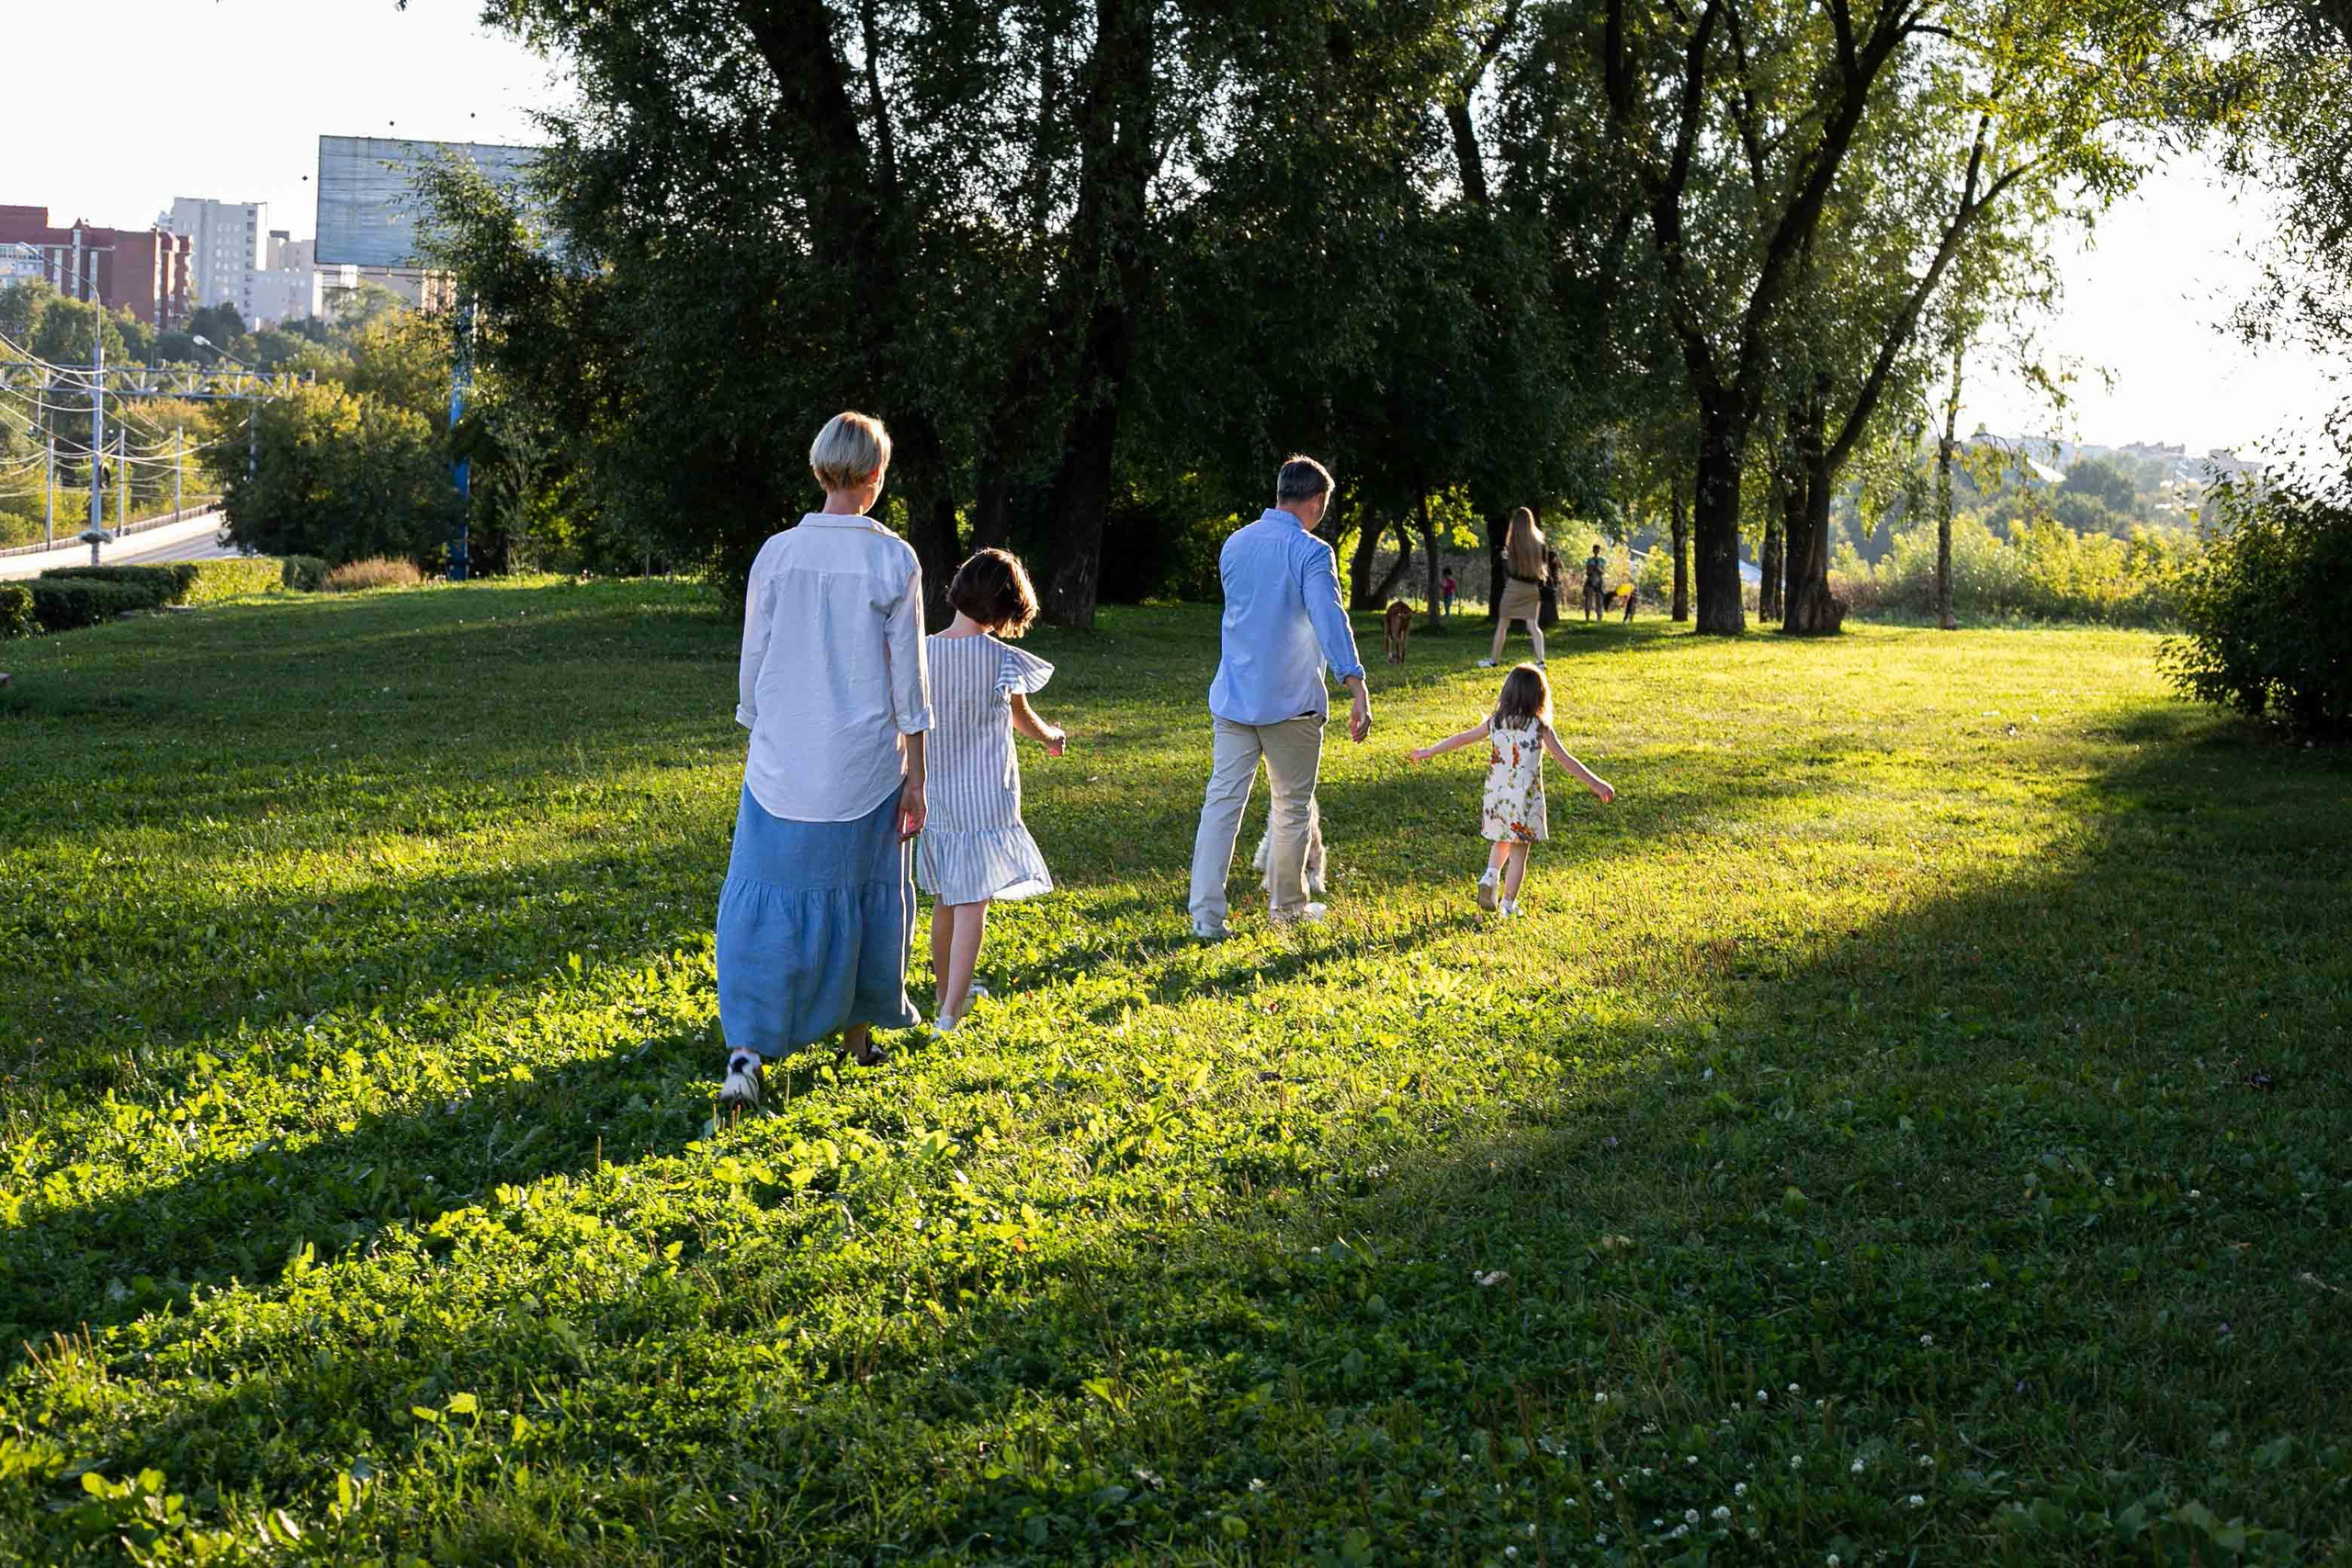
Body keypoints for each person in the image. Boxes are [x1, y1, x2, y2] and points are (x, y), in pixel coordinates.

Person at [718, 412, 931, 1107]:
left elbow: (754, 660)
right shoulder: (894, 558)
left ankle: (747, 1052)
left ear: (820, 469)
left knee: (766, 897)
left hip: (782, 759)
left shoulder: (776, 554)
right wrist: (917, 775)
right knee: (866, 898)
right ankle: (858, 1037)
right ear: (875, 476)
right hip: (864, 763)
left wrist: (759, 725)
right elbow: (911, 683)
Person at [1188, 455, 1371, 939]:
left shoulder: (1235, 543)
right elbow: (1330, 618)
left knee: (1221, 806)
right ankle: (1286, 909)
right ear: (1315, 501)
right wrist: (1354, 682)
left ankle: (1205, 918)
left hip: (1234, 695)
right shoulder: (1311, 552)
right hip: (1289, 700)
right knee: (1291, 806)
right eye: (1323, 506)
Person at [918, 547, 1066, 1033]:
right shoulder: (1002, 660)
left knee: (945, 898)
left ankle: (945, 993)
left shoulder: (923, 652)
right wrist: (1051, 738)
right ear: (1008, 607)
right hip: (985, 796)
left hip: (936, 793)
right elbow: (1022, 718)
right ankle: (950, 1012)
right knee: (973, 901)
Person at [1406, 663, 1613, 917]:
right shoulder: (1539, 727)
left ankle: (1490, 875)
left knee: (1502, 840)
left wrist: (1429, 751)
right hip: (1524, 799)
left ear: (1507, 693)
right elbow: (1566, 759)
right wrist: (1595, 783)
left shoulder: (1496, 722)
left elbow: (1461, 738)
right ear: (1539, 696)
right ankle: (1507, 904)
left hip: (1497, 796)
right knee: (1518, 853)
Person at [1480, 507, 1550, 669]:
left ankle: (1493, 661)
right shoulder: (1538, 543)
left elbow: (1508, 567)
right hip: (1533, 588)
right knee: (1533, 626)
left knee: (1503, 625)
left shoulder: (1511, 543)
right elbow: (1542, 567)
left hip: (1514, 586)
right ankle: (1540, 662)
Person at [1583, 544, 1607, 621]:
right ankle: (1587, 617)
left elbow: (1602, 571)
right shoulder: (1589, 560)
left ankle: (1599, 618)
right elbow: (1588, 572)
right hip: (1590, 581)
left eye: (1598, 550)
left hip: (1599, 582)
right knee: (1588, 599)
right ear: (1593, 550)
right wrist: (1593, 569)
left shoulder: (1602, 560)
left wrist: (1597, 568)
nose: (1596, 551)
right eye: (1595, 549)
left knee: (1599, 600)